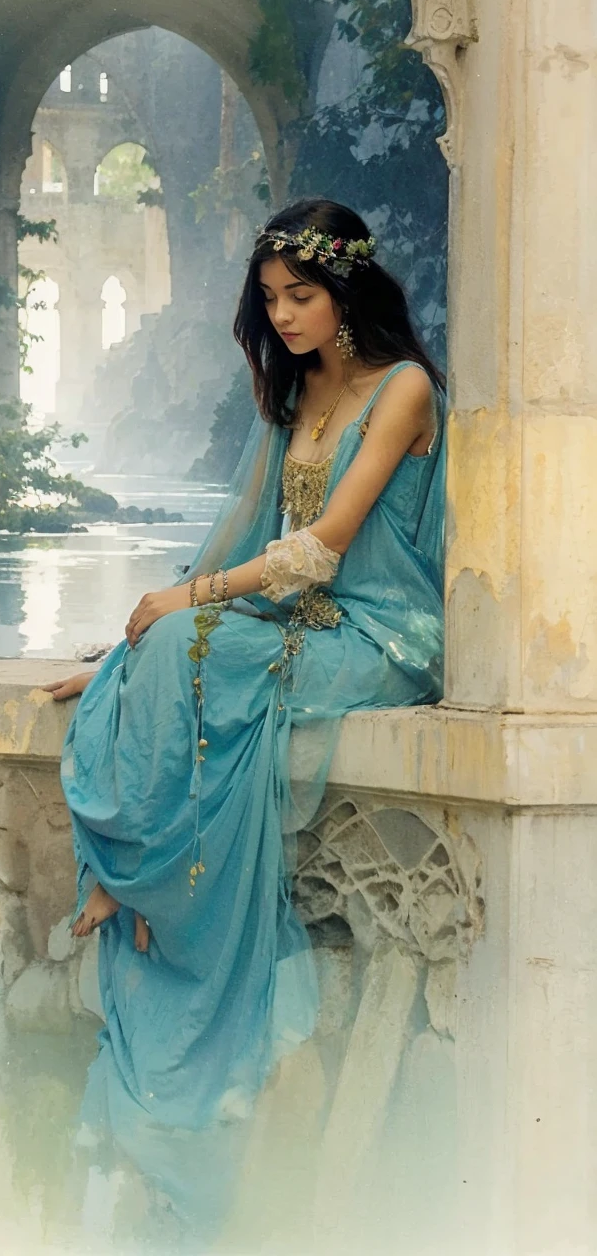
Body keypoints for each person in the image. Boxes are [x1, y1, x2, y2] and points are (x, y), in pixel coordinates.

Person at [44, 197, 446, 1233]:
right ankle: (125, 877)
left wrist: (187, 602)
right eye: (269, 299)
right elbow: (233, 532)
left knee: (179, 637)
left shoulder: (400, 389)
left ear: (346, 289)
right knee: (145, 659)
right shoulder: (295, 393)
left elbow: (325, 543)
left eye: (300, 295)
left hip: (377, 633)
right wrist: (128, 638)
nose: (283, 317)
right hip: (284, 620)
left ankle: (127, 878)